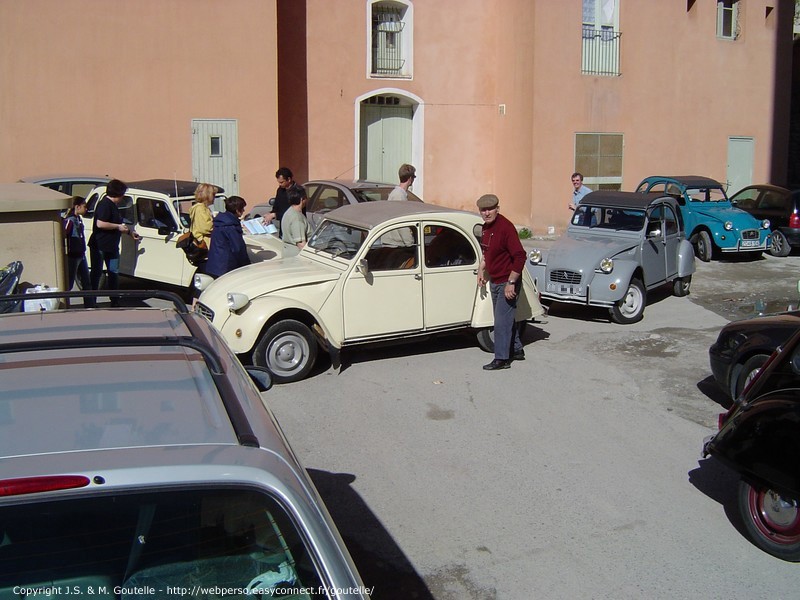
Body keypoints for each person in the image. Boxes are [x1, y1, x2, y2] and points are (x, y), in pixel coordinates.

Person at [476, 193, 526, 371]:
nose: (486, 213)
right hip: (495, 279)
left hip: (507, 280)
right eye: (483, 210)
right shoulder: (485, 228)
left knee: (500, 322)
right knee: (504, 318)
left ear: (498, 208)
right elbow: (487, 252)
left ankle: (502, 359)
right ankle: (517, 349)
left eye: (490, 209)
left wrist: (511, 282)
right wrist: (482, 270)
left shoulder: (506, 228)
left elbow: (520, 256)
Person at [88, 178, 140, 306]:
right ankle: (91, 301)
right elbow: (100, 223)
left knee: (114, 273)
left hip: (112, 246)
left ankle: (115, 299)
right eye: (122, 194)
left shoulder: (114, 206)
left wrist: (128, 232)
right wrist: (117, 227)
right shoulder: (105, 205)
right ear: (117, 195)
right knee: (97, 273)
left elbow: (117, 224)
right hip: (100, 245)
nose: (123, 197)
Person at [205, 195, 251, 278]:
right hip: (226, 268)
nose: (244, 210)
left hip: (214, 265)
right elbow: (238, 248)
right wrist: (247, 265)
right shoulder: (230, 226)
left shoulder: (221, 221)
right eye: (242, 208)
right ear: (237, 210)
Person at [63, 196, 91, 294]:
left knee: (86, 281)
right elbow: (64, 235)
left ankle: (90, 305)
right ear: (77, 207)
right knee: (69, 282)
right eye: (84, 206)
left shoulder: (78, 219)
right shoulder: (69, 221)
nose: (86, 208)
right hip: (73, 256)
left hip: (81, 254)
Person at [190, 183, 216, 248]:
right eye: (213, 195)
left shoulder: (204, 207)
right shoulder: (200, 208)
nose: (214, 197)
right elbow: (205, 227)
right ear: (208, 195)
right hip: (204, 243)